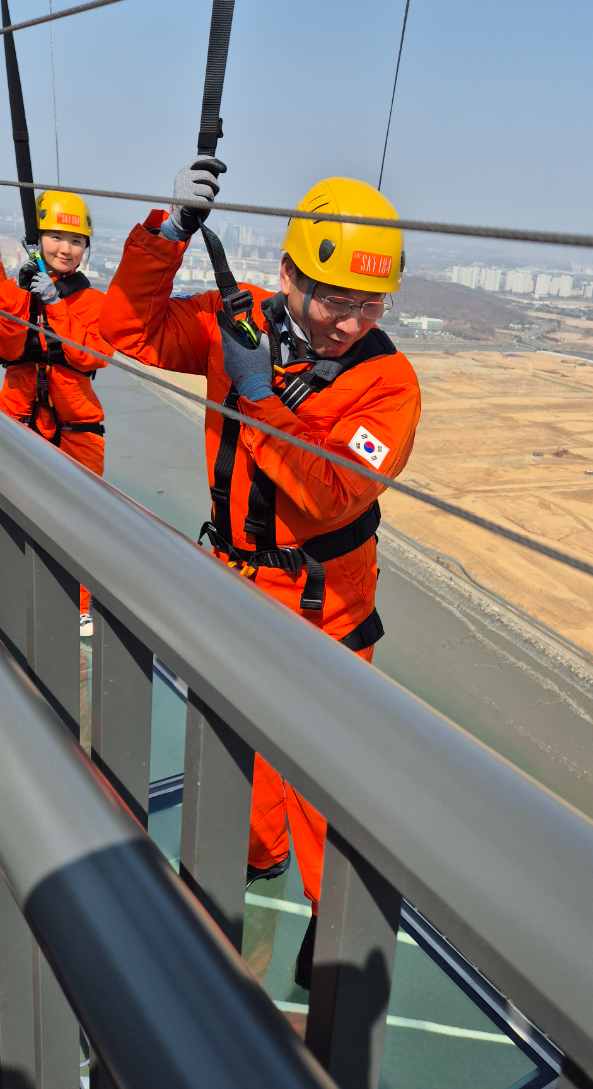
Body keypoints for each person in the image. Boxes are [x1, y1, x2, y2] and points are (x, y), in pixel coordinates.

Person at [99, 159, 421, 985]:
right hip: (236, 582)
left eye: (369, 304)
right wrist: (165, 236)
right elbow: (123, 331)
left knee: (327, 777)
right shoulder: (235, 321)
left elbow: (330, 496)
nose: (350, 322)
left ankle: (336, 936)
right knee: (240, 753)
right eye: (334, 299)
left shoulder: (387, 383)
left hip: (323, 607)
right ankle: (257, 859)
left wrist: (257, 399)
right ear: (288, 275)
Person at [0, 191, 112, 634]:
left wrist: (54, 304)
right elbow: (7, 345)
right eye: (54, 236)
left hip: (77, 427)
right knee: (11, 509)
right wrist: (19, 296)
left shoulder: (93, 303)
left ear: (87, 248)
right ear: (38, 238)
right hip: (17, 420)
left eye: (75, 240)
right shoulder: (16, 294)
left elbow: (92, 356)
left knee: (80, 519)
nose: (65, 248)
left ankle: (80, 604)